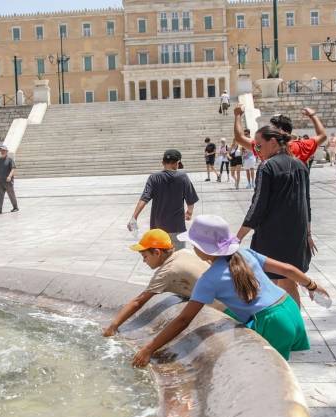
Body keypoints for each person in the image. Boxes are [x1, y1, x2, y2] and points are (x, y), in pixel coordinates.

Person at [131, 215, 323, 367]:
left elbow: (183, 320)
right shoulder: (246, 253)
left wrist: (149, 348)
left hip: (273, 322)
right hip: (289, 308)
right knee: (280, 368)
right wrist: (312, 285)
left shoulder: (209, 279)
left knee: (270, 377)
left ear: (202, 249)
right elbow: (287, 269)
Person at [237, 126, 313, 308]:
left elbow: (258, 206)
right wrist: (308, 235)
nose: (257, 150)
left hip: (273, 236)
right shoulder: (301, 165)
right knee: (288, 281)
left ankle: (287, 326)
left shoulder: (267, 167)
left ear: (272, 142)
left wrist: (237, 237)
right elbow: (306, 203)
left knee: (271, 282)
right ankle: (294, 324)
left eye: (259, 146)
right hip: (296, 234)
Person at [102, 229, 211, 336]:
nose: (144, 261)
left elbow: (138, 302)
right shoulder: (184, 252)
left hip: (217, 308)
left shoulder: (166, 271)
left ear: (157, 252)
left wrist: (113, 327)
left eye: (145, 256)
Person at [128, 149, 198, 250]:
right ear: (178, 163)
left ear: (163, 162)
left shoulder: (154, 178)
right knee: (177, 257)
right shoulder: (183, 177)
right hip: (177, 226)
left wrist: (134, 217)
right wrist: (189, 212)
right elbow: (190, 200)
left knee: (160, 259)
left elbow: (144, 198)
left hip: (157, 229)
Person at [233, 106, 327, 165]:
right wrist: (313, 115)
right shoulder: (301, 146)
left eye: (272, 128)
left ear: (279, 131)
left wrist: (238, 115)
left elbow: (239, 138)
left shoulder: (265, 147)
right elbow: (322, 136)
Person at [0, 144, 18, 214]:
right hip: (0, 181)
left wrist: (10, 176)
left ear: (6, 151)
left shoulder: (10, 160)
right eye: (1, 151)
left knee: (11, 194)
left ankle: (15, 207)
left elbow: (13, 169)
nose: (2, 152)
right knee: (0, 196)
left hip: (8, 181)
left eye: (3, 150)